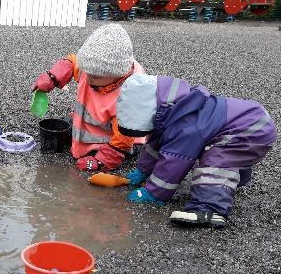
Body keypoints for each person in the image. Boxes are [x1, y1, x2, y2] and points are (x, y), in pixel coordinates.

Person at [117, 74, 276, 227]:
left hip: (251, 131)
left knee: (217, 157)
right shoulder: (173, 110)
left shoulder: (186, 127)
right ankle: (231, 181)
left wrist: (153, 193)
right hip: (251, 120)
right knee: (228, 154)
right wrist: (141, 170)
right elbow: (157, 145)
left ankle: (210, 209)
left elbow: (174, 161)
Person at [32, 23, 146, 172]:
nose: (88, 79)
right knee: (62, 126)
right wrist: (53, 77)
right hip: (90, 123)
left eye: (95, 77)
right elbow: (72, 62)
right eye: (87, 72)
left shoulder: (130, 96)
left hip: (121, 140)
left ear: (117, 74)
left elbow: (122, 140)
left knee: (115, 151)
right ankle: (80, 141)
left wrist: (100, 162)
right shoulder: (92, 69)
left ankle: (98, 154)